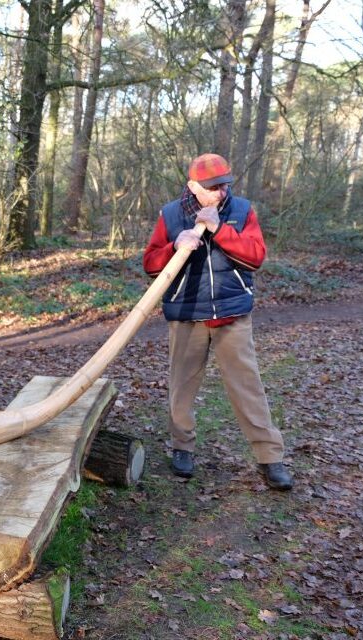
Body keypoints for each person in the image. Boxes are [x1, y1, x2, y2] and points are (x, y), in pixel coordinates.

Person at [142, 153, 293, 490]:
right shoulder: (170, 214)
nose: (221, 192)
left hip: (231, 314)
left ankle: (270, 458)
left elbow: (256, 257)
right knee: (181, 386)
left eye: (224, 185)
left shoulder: (241, 211)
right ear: (193, 186)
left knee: (248, 387)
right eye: (212, 187)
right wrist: (173, 247)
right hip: (186, 313)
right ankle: (182, 448)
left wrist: (220, 230)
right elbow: (151, 264)